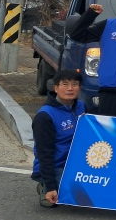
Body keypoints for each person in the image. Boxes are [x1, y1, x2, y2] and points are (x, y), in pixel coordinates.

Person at [31, 70, 86, 208]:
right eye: (65, 84)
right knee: (75, 193)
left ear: (79, 88)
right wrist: (50, 187)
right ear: (56, 88)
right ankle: (45, 185)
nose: (70, 88)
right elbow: (45, 154)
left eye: (75, 84)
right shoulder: (45, 116)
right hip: (56, 165)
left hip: (77, 162)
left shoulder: (81, 107)